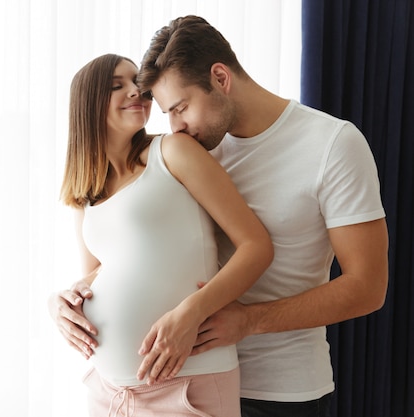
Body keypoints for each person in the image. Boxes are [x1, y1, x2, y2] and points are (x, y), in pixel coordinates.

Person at [49, 16, 389, 417]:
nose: (174, 126)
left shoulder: (332, 145)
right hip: (171, 376)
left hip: (278, 390)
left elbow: (367, 287)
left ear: (220, 78)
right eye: (165, 113)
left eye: (180, 108)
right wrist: (67, 300)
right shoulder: (191, 147)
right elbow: (132, 255)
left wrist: (247, 322)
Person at [54, 53, 273, 417]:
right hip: (107, 389)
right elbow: (97, 276)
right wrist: (58, 302)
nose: (136, 90)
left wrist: (190, 314)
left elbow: (256, 246)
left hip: (187, 383)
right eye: (116, 85)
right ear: (88, 104)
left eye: (136, 82)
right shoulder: (86, 193)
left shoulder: (173, 151)